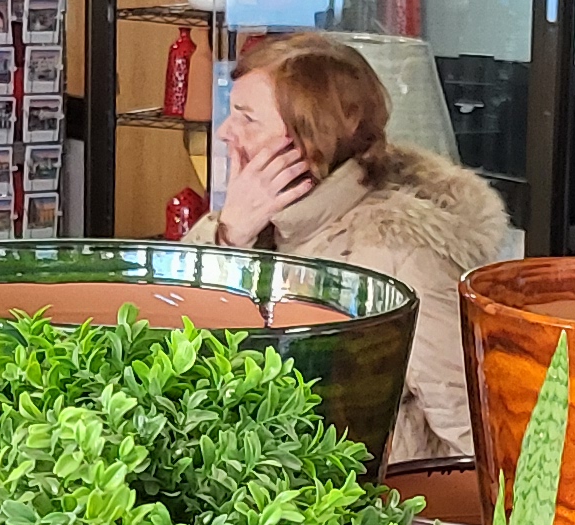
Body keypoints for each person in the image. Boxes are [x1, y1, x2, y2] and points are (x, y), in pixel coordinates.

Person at [214, 35, 511, 467]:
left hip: (362, 513)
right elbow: (183, 356)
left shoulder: (401, 253)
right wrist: (230, 237)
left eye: (247, 118)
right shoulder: (255, 225)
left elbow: (474, 438)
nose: (225, 132)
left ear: (310, 137)